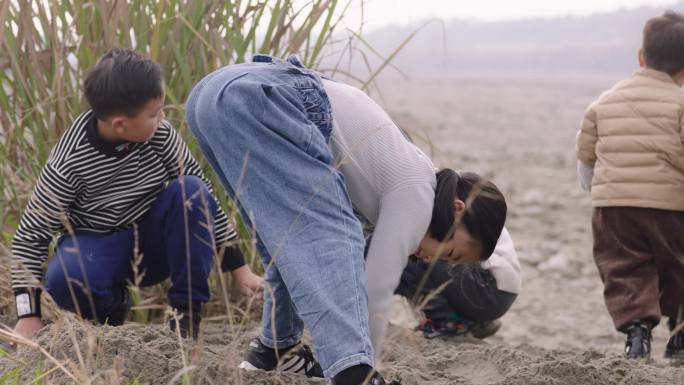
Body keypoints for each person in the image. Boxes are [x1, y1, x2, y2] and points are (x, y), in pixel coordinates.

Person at [185, 54, 507, 385]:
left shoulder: (412, 169)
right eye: (450, 251)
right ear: (457, 208)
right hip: (264, 97)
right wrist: (361, 365)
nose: (432, 259)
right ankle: (353, 372)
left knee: (290, 242)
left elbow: (298, 248)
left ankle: (274, 351)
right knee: (335, 236)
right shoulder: (417, 196)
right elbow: (376, 285)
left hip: (212, 96)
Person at [11, 48, 264, 341]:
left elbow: (204, 199)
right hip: (99, 245)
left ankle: (185, 318)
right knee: (64, 277)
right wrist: (27, 314)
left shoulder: (161, 135)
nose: (163, 119)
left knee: (192, 190)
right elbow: (31, 235)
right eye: (154, 114)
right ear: (120, 124)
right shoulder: (69, 163)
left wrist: (239, 268)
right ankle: (112, 315)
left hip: (154, 242)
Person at [575, 10, 684, 359]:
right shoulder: (681, 104)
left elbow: (585, 154)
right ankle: (680, 333)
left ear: (641, 57)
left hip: (614, 206)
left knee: (625, 268)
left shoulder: (604, 102)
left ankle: (637, 332)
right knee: (677, 265)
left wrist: (595, 189)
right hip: (671, 207)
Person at [395, 226, 520, 340]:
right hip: (499, 291)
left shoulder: (440, 206)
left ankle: (448, 323)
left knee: (412, 254)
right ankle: (470, 320)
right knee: (417, 249)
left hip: (489, 288)